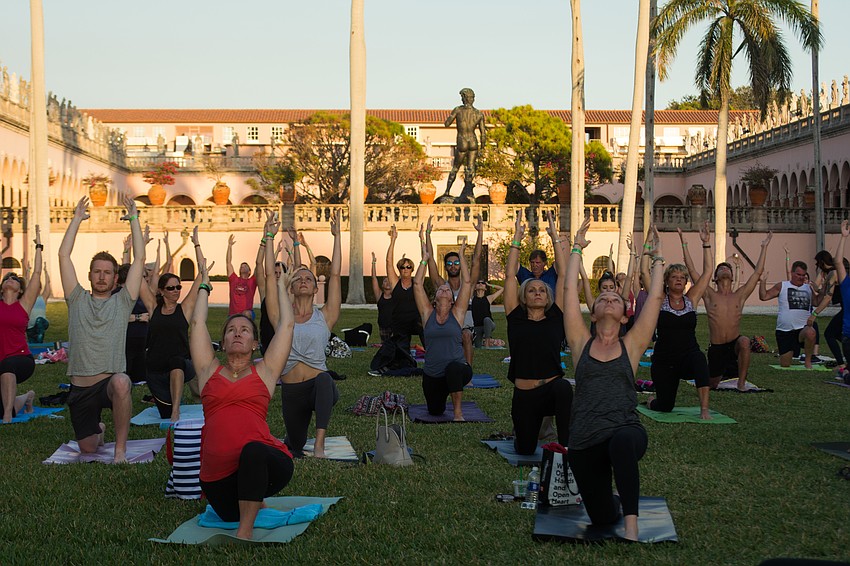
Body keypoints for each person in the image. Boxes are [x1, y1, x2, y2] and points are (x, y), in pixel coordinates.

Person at [564, 218, 665, 542]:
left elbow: (656, 300)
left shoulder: (632, 345)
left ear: (624, 315)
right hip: (584, 441)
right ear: (592, 313)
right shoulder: (581, 343)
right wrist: (577, 247)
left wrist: (657, 257)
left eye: (616, 298)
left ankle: (632, 528)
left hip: (624, 429)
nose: (608, 296)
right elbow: (568, 291)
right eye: (602, 296)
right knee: (603, 515)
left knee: (621, 443)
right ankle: (616, 504)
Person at [191, 246, 295, 541]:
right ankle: (252, 502)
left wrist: (280, 286)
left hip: (268, 463)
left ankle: (245, 532)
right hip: (218, 483)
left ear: (254, 344)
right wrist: (204, 282)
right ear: (222, 343)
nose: (237, 333)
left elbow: (287, 325)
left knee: (252, 451)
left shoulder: (265, 372)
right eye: (231, 330)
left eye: (245, 330)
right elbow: (197, 323)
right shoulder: (207, 371)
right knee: (240, 475)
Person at [59, 196, 144, 463]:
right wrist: (76, 220)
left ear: (115, 278)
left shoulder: (123, 301)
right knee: (88, 449)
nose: (102, 276)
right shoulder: (76, 299)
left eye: (108, 272)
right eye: (97, 271)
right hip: (80, 387)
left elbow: (140, 257)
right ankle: (100, 430)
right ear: (90, 275)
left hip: (108, 382)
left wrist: (134, 219)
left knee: (122, 382)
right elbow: (63, 255)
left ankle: (120, 450)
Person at [266, 211, 341, 458]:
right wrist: (268, 237)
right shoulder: (281, 317)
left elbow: (336, 275)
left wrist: (337, 236)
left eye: (309, 278)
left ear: (315, 287)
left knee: (324, 380)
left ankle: (319, 444)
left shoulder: (326, 315)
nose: (304, 281)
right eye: (298, 278)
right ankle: (299, 438)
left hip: (318, 385)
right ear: (291, 286)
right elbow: (268, 275)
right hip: (291, 392)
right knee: (295, 447)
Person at [504, 211, 571, 454]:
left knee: (564, 389)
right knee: (525, 449)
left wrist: (554, 238)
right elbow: (510, 275)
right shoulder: (516, 318)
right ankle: (525, 434)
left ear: (548, 296)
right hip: (524, 395)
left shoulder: (555, 318)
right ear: (524, 296)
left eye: (542, 290)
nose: (538, 293)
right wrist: (516, 240)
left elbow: (562, 275)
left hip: (551, 389)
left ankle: (566, 446)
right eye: (531, 290)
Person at [681, 229, 772, 391]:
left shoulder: (740, 295)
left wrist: (764, 247)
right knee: (712, 385)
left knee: (745, 341)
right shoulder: (709, 294)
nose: (724, 269)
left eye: (727, 268)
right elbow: (693, 271)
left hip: (735, 343)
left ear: (732, 276)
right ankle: (721, 375)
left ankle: (741, 384)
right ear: (715, 277)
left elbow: (757, 272)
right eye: (721, 268)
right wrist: (685, 243)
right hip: (717, 348)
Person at [647, 221, 714, 420]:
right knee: (665, 406)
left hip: (688, 355)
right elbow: (644, 275)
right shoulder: (659, 299)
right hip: (664, 360)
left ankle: (704, 409)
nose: (678, 280)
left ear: (686, 282)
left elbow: (708, 272)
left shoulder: (691, 299)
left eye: (682, 277)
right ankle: (652, 399)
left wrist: (706, 243)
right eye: (674, 276)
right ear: (667, 281)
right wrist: (653, 253)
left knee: (700, 361)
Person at [140, 226, 205, 422]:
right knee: (164, 413)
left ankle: (177, 409)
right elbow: (138, 272)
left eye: (178, 287)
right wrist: (141, 244)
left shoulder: (184, 309)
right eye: (171, 288)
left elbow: (202, 271)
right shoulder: (153, 307)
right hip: (155, 367)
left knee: (176, 362)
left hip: (181, 364)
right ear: (161, 290)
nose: (176, 291)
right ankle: (170, 409)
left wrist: (196, 243)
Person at [424, 214, 484, 364]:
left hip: (466, 330)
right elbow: (430, 259)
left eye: (456, 262)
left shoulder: (467, 287)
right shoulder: (442, 287)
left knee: (465, 335)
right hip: (446, 329)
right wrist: (428, 234)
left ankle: (467, 371)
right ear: (445, 267)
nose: (453, 266)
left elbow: (476, 259)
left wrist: (480, 232)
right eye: (449, 264)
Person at [1, 226, 42, 423]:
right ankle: (25, 398)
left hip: (21, 360)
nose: (11, 278)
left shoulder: (23, 305)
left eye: (15, 279)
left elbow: (36, 275)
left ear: (19, 289)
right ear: (2, 287)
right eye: (8, 277)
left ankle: (8, 417)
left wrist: (38, 247)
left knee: (7, 365)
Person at [369, 225, 423, 375]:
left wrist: (423, 239)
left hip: (416, 321)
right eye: (402, 267)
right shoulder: (395, 284)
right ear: (399, 269)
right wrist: (393, 240)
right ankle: (403, 365)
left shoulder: (417, 281)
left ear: (412, 269)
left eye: (409, 267)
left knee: (429, 339)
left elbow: (425, 261)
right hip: (400, 324)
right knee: (401, 350)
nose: (405, 269)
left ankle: (436, 364)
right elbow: (388, 261)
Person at [760, 258, 818, 369]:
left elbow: (817, 302)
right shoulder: (782, 286)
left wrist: (821, 290)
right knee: (785, 364)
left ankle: (808, 361)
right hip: (784, 331)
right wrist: (762, 281)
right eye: (798, 274)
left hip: (802, 330)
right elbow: (764, 296)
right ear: (792, 273)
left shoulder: (808, 289)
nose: (801, 277)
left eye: (803, 275)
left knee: (811, 332)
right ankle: (789, 352)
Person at [438, 87, 486, 202]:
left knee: (455, 167)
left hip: (462, 140)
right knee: (470, 167)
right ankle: (468, 190)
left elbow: (447, 124)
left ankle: (447, 191)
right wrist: (483, 147)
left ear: (464, 98)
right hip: (473, 141)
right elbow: (483, 133)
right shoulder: (479, 114)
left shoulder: (458, 110)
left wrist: (452, 117)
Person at [811, 248, 847, 371]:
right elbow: (828, 292)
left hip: (847, 310)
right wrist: (817, 288)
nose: (817, 266)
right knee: (839, 334)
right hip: (846, 309)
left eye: (817, 264)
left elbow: (827, 297)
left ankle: (841, 364)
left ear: (821, 262)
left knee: (829, 334)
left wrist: (814, 314)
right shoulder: (834, 273)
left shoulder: (833, 273)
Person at [832, 220, 850, 382]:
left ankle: (844, 370)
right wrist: (844, 237)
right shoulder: (846, 284)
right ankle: (845, 372)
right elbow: (838, 262)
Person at [226, 234, 258, 317]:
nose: (243, 267)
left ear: (249, 271)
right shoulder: (234, 279)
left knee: (246, 313)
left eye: (245, 266)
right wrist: (229, 246)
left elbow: (259, 263)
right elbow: (228, 262)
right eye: (241, 266)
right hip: (233, 314)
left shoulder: (252, 281)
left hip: (247, 314)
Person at [370, 251, 394, 344]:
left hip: (395, 325)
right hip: (383, 326)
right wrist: (373, 263)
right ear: (382, 284)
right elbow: (374, 278)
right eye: (385, 281)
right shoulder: (379, 295)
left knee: (395, 345)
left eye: (389, 281)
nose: (387, 283)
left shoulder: (396, 295)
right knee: (385, 346)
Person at [471, 279, 503, 348]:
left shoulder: (489, 298)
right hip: (477, 327)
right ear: (475, 288)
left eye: (483, 283)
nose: (480, 284)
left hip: (489, 324)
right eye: (478, 283)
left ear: (485, 288)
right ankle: (483, 342)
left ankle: (487, 343)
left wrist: (489, 285)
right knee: (478, 347)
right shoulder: (472, 298)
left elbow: (502, 289)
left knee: (486, 319)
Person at [25, 261, 51, 344]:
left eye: (37, 287)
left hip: (42, 323)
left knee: (39, 320)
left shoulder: (43, 298)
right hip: (30, 328)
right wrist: (28, 271)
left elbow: (48, 284)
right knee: (32, 346)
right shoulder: (28, 298)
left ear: (40, 288)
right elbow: (27, 282)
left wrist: (45, 271)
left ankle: (40, 341)